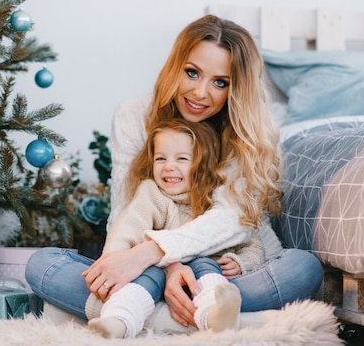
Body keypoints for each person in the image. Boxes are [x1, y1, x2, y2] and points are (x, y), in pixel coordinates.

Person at [25, 14, 323, 334]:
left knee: (303, 267)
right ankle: (219, 319)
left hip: (230, 269)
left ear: (236, 89)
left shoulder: (247, 130)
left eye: (220, 82)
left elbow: (230, 222)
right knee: (43, 264)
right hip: (146, 273)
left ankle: (137, 316)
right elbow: (126, 212)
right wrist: (169, 268)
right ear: (175, 66)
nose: (199, 93)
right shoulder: (134, 116)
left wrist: (154, 252)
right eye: (192, 73)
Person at [87, 118, 265, 338]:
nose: (168, 166)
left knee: (205, 263)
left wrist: (242, 263)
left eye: (182, 158)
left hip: (206, 282)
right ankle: (117, 321)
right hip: (155, 283)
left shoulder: (215, 201)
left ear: (203, 164)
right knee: (147, 274)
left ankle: (214, 315)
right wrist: (110, 268)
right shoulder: (151, 193)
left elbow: (250, 243)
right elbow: (127, 230)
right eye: (160, 158)